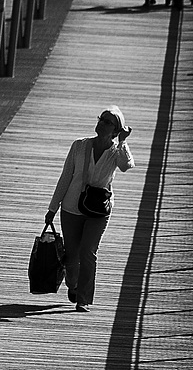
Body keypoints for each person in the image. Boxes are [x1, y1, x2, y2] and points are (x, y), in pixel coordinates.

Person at [44, 106, 134, 312]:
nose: (100, 123)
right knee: (72, 255)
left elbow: (126, 165)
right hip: (71, 208)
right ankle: (73, 284)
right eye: (100, 119)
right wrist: (52, 208)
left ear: (115, 130)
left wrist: (123, 141)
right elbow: (65, 177)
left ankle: (83, 299)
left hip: (99, 210)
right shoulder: (79, 146)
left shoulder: (116, 151)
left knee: (88, 252)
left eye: (107, 122)